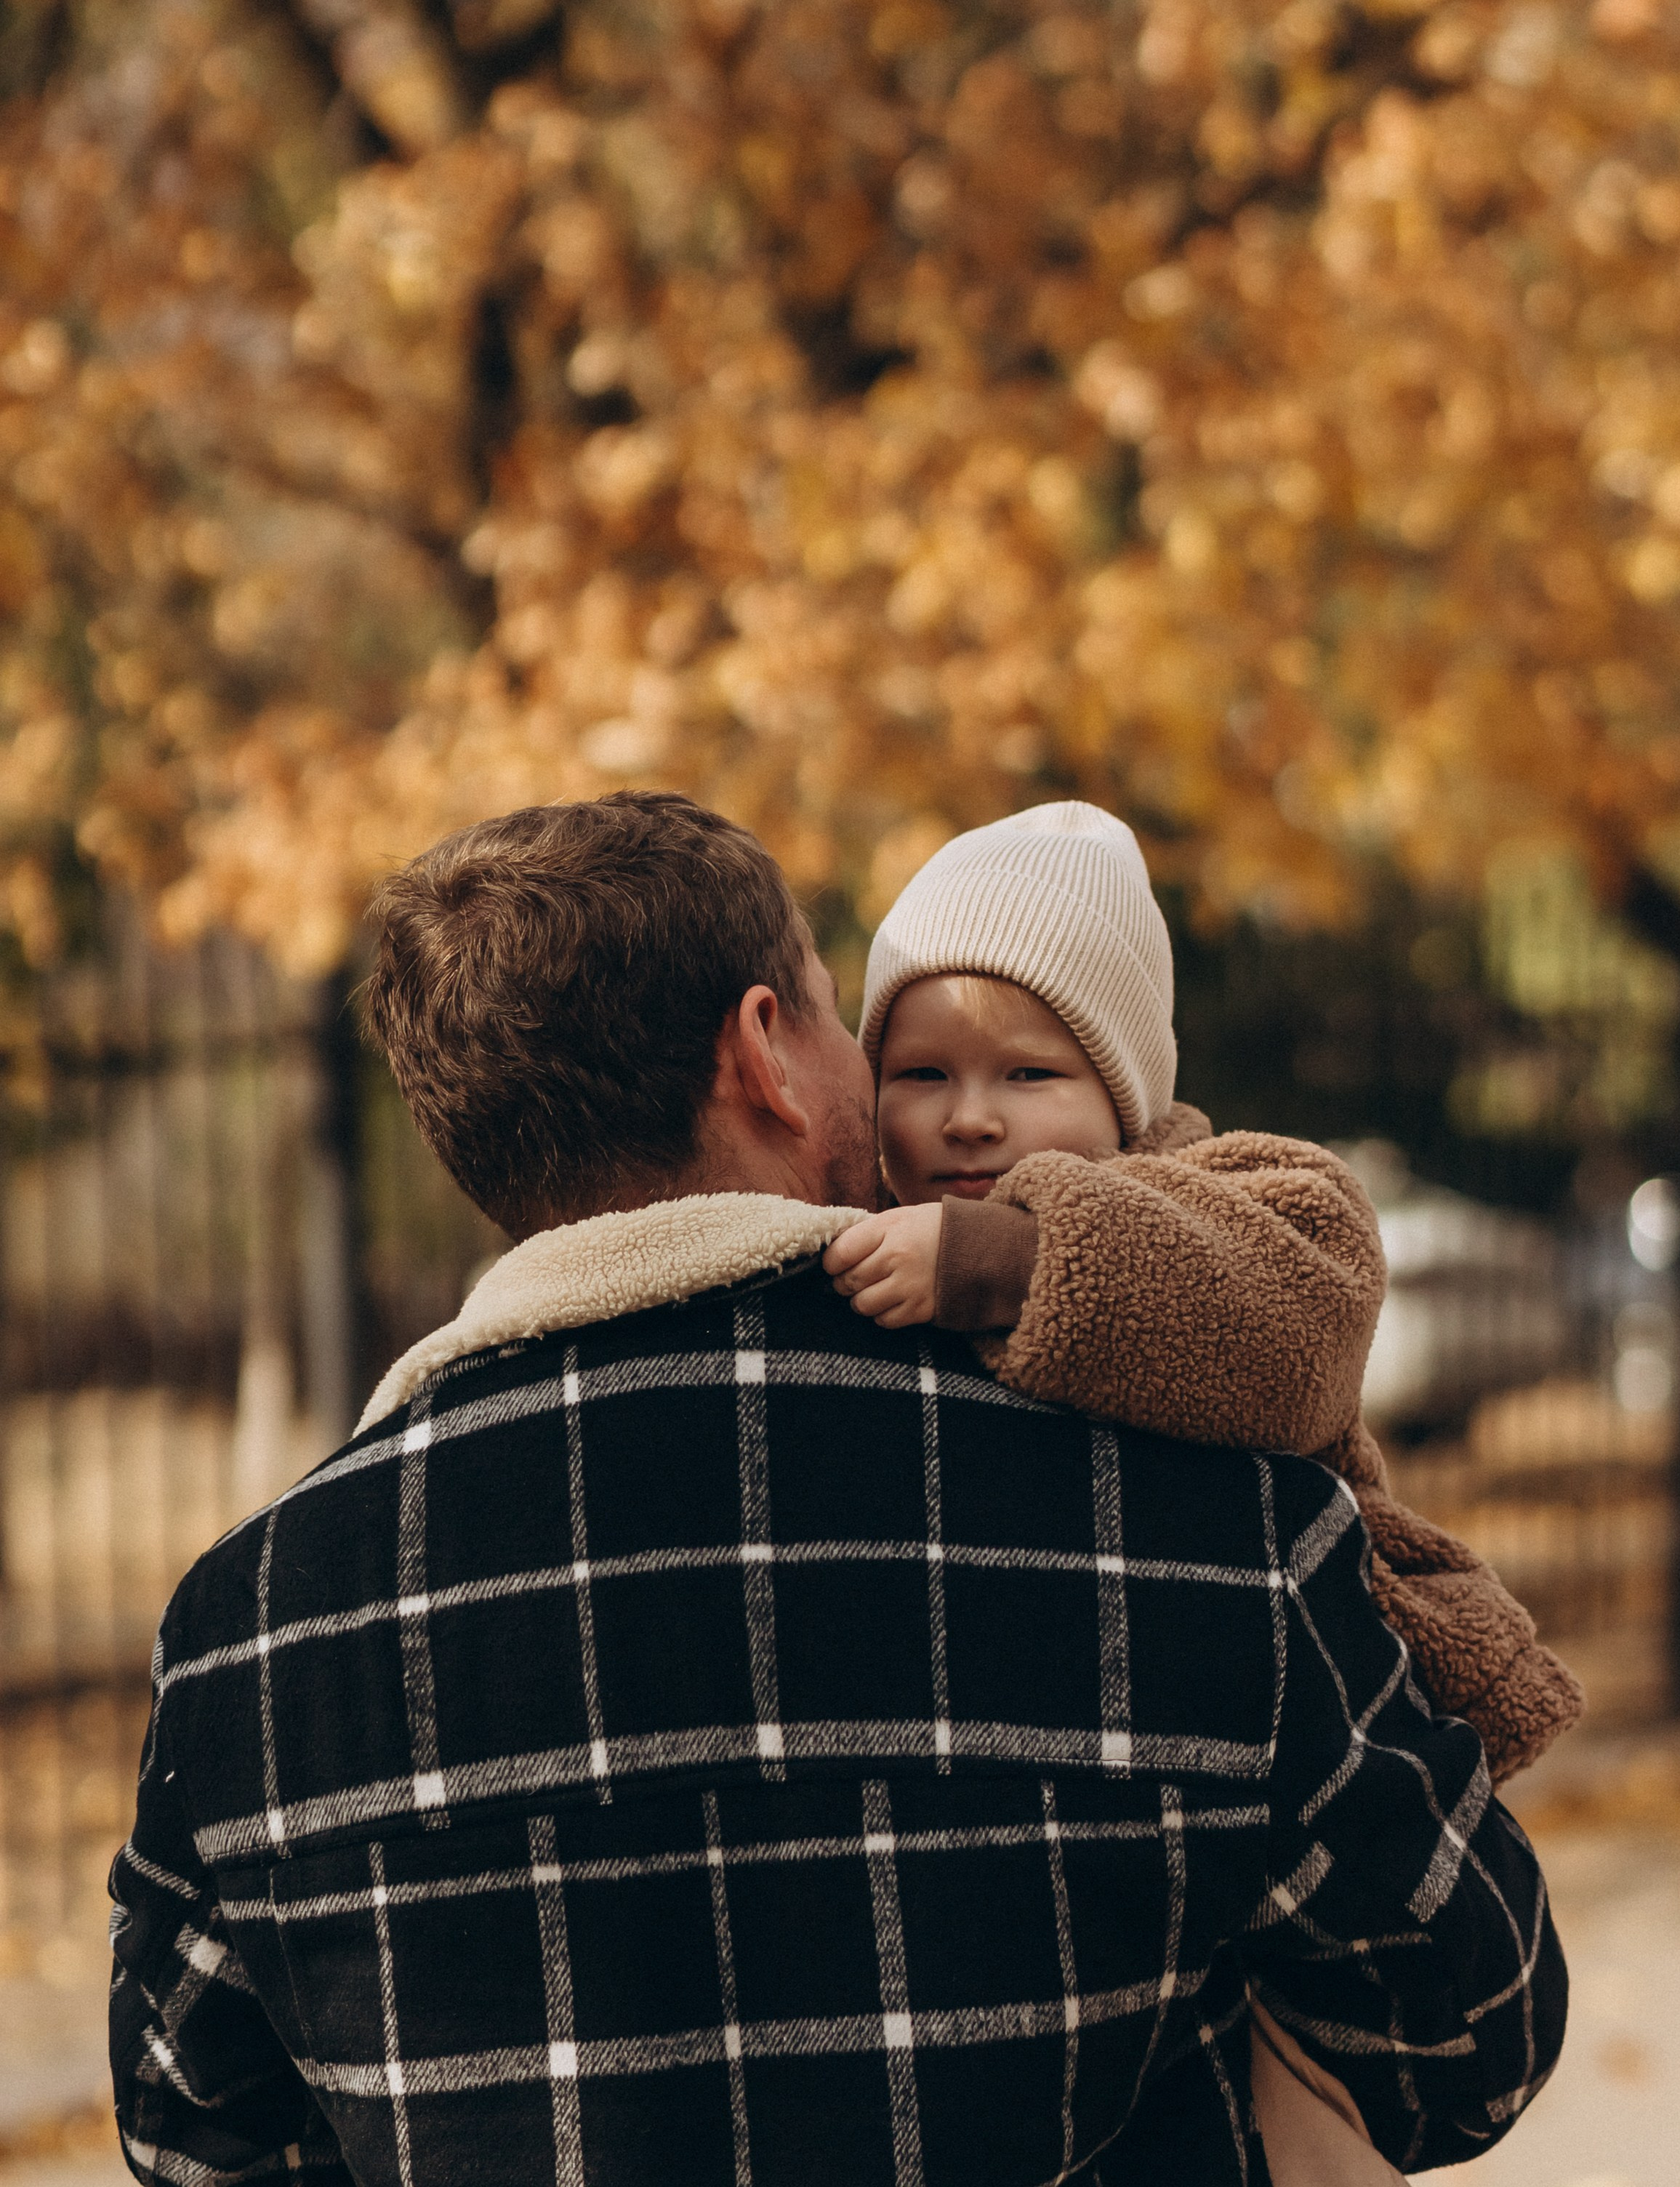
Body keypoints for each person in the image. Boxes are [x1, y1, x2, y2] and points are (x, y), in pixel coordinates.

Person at [109, 792, 1566, 2186]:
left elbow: (201, 2134)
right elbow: (1472, 2032)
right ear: (768, 1052)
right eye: (848, 1014)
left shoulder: (255, 1634)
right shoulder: (1198, 1523)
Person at [823, 800, 1584, 1787]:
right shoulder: (869, 1235)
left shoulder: (1225, 1199)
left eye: (1027, 1073)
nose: (970, 1117)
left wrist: (1009, 1261)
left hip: (1273, 1702)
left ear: (1124, 1093)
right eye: (922, 1072)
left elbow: (1299, 1337)